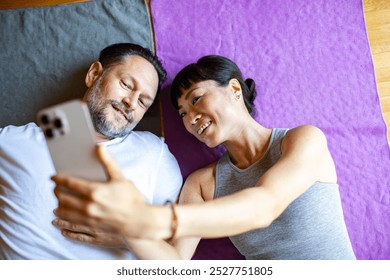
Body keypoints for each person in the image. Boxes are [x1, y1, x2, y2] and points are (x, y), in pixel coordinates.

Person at [52, 55, 356, 260]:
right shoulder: (202, 184)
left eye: (196, 99)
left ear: (234, 89)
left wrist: (151, 220)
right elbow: (175, 265)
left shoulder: (301, 139)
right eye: (183, 112)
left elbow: (264, 206)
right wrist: (129, 231)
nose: (190, 117)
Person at [0, 43, 182, 260]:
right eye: (126, 84)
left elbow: (176, 258)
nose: (131, 103)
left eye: (143, 102)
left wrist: (130, 237)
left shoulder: (155, 156)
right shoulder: (11, 142)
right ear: (94, 74)